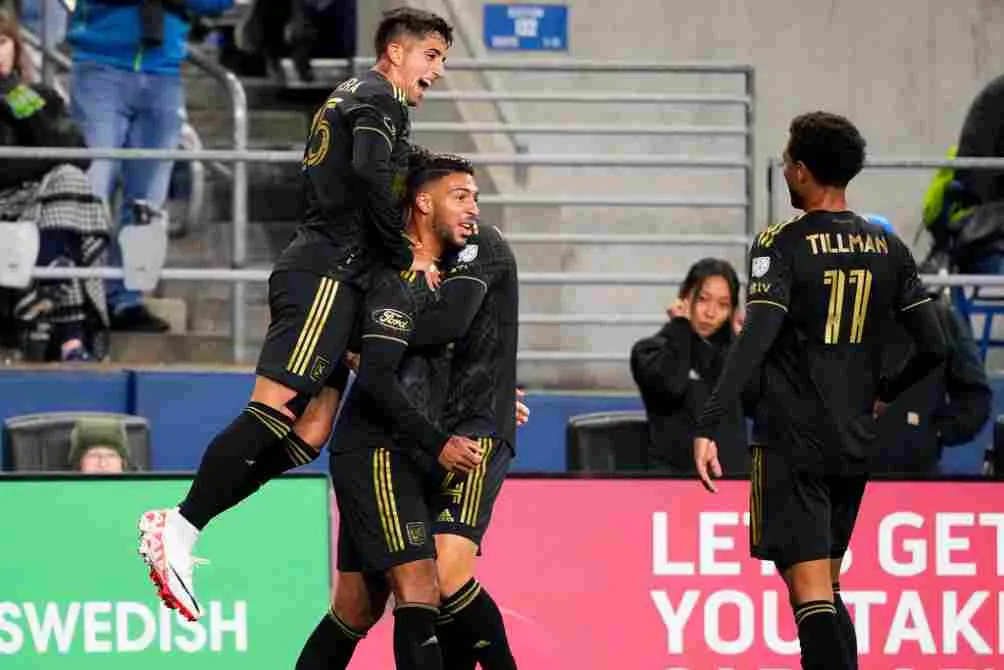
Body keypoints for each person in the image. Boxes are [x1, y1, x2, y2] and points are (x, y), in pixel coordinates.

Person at [137, 7, 456, 623]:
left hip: (336, 275)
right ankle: (179, 525)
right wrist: (406, 253)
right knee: (274, 408)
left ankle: (184, 522)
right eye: (432, 56)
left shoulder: (358, 98)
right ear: (396, 52)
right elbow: (369, 173)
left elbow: (380, 163)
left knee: (309, 433)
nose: (437, 71)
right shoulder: (380, 98)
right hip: (326, 274)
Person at [693, 111, 949, 670]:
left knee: (810, 597)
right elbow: (935, 346)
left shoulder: (780, 243)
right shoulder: (890, 247)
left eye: (789, 161)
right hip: (854, 443)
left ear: (803, 171)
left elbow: (756, 336)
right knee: (828, 589)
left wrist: (711, 420)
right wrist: (886, 389)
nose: (786, 169)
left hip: (793, 443)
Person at [296, 152, 520, 670]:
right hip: (390, 446)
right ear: (421, 202)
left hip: (446, 438)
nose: (473, 208)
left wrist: (368, 344)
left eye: (475, 197)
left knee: (394, 594)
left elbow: (446, 332)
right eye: (460, 196)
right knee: (398, 593)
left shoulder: (463, 254)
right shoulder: (390, 269)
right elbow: (386, 366)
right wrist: (366, 345)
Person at [67, 0, 234, 332]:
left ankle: (126, 299)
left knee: (148, 202)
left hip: (164, 76)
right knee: (90, 191)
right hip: (99, 67)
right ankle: (79, 297)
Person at [0, 10, 109, 362]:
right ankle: (71, 336)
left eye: (2, 42)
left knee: (70, 180)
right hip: (12, 201)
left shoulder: (39, 97)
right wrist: (38, 164)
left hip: (40, 201)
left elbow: (76, 153)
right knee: (66, 197)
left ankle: (51, 280)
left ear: (16, 48)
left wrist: (20, 102)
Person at [630, 258, 751, 474]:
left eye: (723, 305)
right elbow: (671, 387)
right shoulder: (649, 351)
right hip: (674, 484)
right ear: (684, 298)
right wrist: (680, 327)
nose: (711, 313)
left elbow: (761, 404)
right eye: (703, 299)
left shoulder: (734, 354)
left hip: (733, 484)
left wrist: (751, 347)